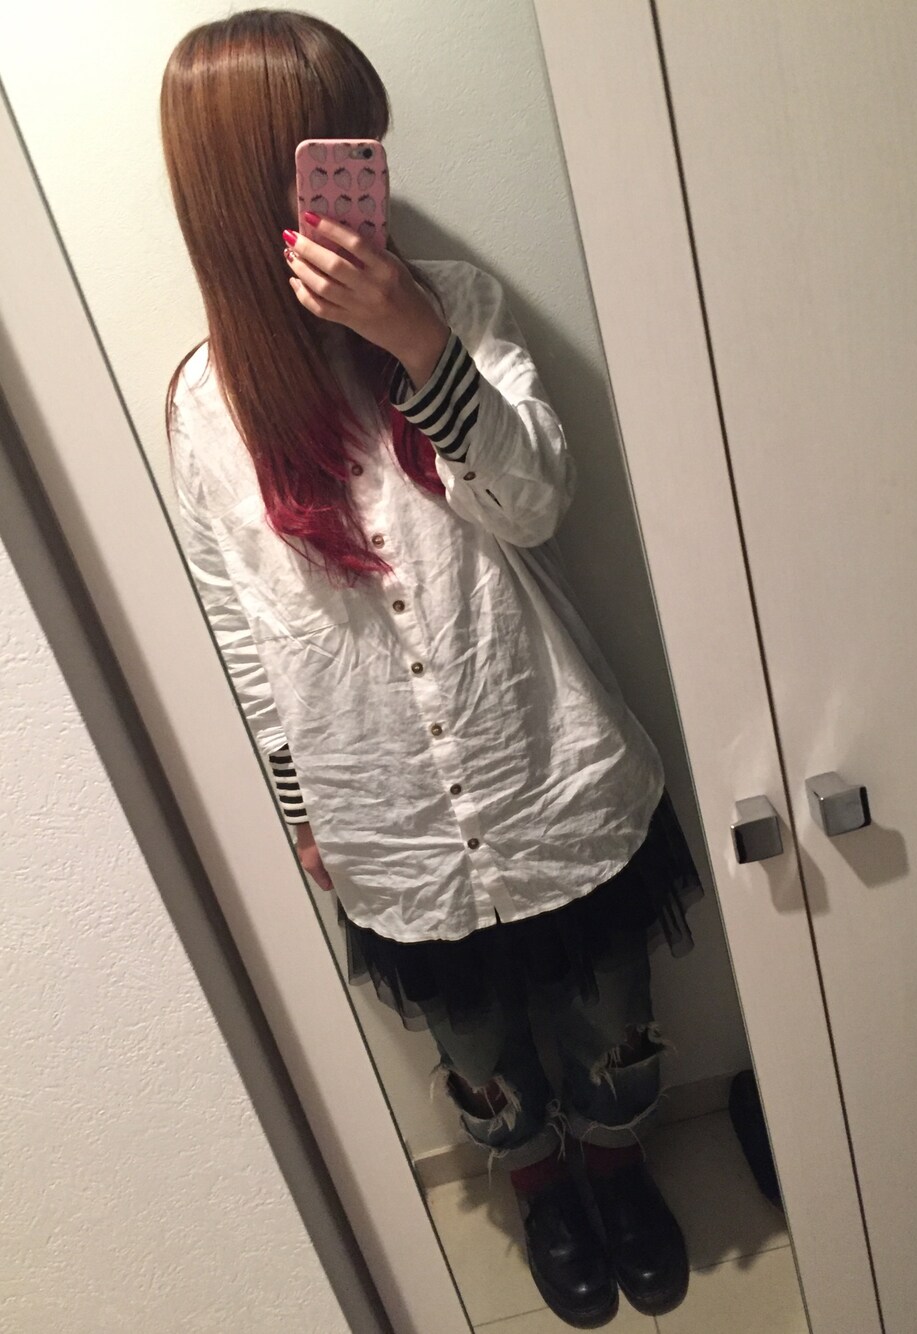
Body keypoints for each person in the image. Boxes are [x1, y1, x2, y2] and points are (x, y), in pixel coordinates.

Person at [161, 10, 703, 1327]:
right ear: (248, 185)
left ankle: (617, 1164)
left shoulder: (455, 308)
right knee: (477, 1049)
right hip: (391, 820)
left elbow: (534, 506)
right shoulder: (203, 406)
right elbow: (244, 636)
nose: (368, 175)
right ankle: (541, 1187)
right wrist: (301, 813)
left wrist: (420, 349)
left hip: (547, 775)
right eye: (331, 152)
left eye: (366, 146)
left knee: (611, 1013)